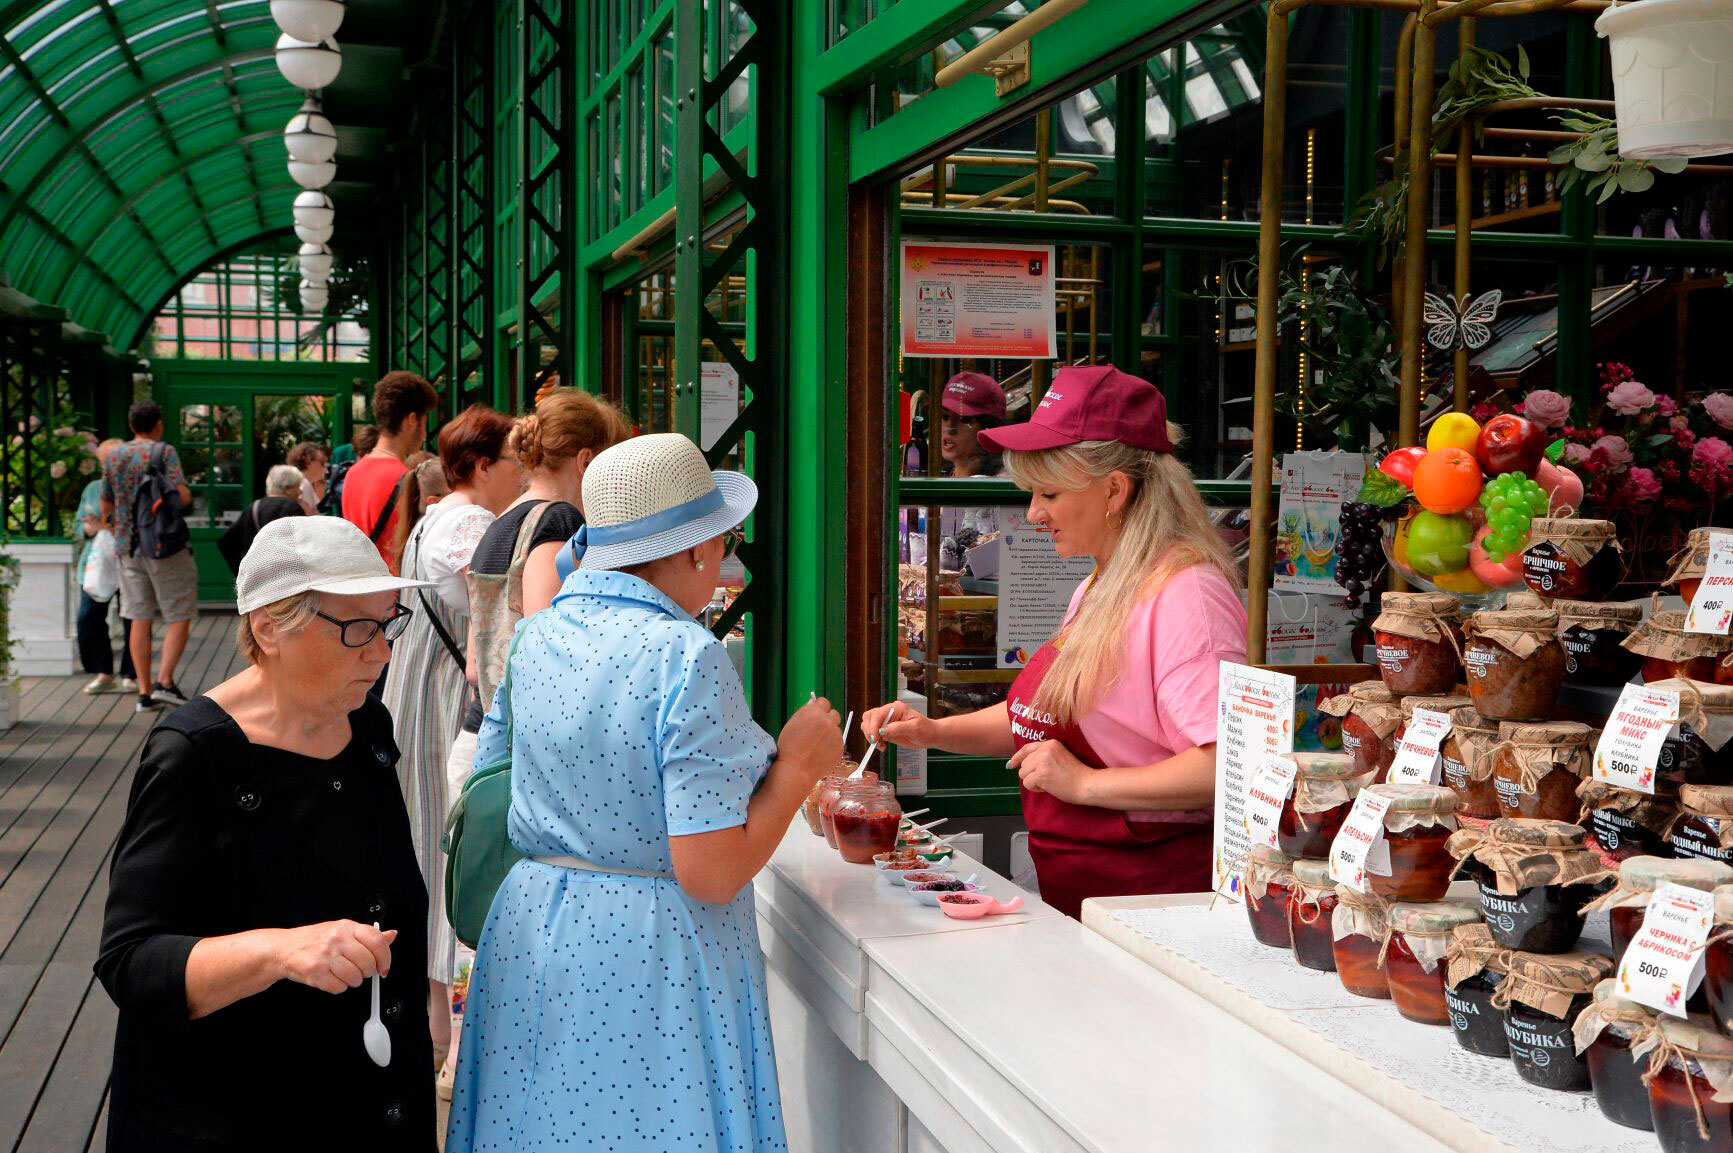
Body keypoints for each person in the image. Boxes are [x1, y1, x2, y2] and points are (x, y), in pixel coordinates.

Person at [447, 433, 842, 1153]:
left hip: (533, 927)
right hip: (649, 948)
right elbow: (711, 869)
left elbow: (496, 777)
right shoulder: (683, 654)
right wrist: (795, 766)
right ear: (692, 551)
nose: (723, 565)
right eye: (721, 545)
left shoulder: (537, 636)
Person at [95, 515, 437, 1151]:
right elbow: (132, 962)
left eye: (388, 622)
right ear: (269, 627)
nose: (382, 651)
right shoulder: (193, 755)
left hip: (370, 1097)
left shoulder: (365, 726)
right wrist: (280, 950)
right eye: (357, 628)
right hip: (235, 1112)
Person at [864, 365, 1247, 919]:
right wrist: (930, 732)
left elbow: (1224, 768)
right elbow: (1036, 720)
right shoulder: (1103, 581)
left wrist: (1087, 785)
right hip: (1092, 894)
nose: (1035, 513)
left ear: (1115, 488)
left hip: (1156, 905)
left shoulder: (1187, 596)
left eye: (1049, 493)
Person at [379, 405, 520, 1078]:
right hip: (444, 703)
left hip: (422, 691)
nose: (523, 472)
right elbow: (499, 611)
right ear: (485, 464)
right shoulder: (471, 525)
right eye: (515, 459)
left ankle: (442, 1030)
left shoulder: (439, 514)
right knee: (450, 852)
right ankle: (450, 1040)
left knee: (436, 848)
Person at [467, 388, 630, 712]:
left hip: (487, 731)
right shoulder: (558, 520)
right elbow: (551, 646)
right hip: (524, 744)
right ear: (586, 460)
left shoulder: (501, 523)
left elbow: (475, 666)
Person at [101, 401, 197, 714]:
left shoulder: (114, 456)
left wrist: (117, 530)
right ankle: (165, 681)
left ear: (131, 426)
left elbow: (106, 503)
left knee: (138, 616)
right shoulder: (163, 452)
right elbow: (181, 497)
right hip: (162, 544)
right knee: (179, 612)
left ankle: (144, 692)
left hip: (127, 548)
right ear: (158, 425)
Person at [342, 374, 439, 571]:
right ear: (412, 420)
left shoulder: (353, 473)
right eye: (424, 422)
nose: (425, 433)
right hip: (393, 592)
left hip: (361, 589)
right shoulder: (407, 478)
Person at [76, 438, 137, 695]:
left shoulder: (135, 484)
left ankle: (130, 673)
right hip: (97, 561)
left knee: (132, 618)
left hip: (129, 558)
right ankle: (103, 672)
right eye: (104, 462)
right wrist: (88, 528)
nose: (107, 467)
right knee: (88, 617)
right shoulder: (92, 488)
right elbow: (78, 525)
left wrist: (112, 526)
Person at [217, 465, 307, 574]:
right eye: (297, 486)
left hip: (256, 576)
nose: (300, 492)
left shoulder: (253, 508)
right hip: (284, 576)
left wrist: (240, 573)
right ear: (287, 488)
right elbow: (304, 544)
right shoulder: (292, 508)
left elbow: (226, 542)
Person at [940, 370, 1007, 478]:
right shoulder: (941, 472)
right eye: (945, 417)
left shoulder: (1004, 481)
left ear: (989, 429)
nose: (950, 428)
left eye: (964, 420)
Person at [287, 441, 328, 515]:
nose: (325, 468)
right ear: (308, 461)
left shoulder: (297, 481)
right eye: (322, 463)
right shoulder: (303, 484)